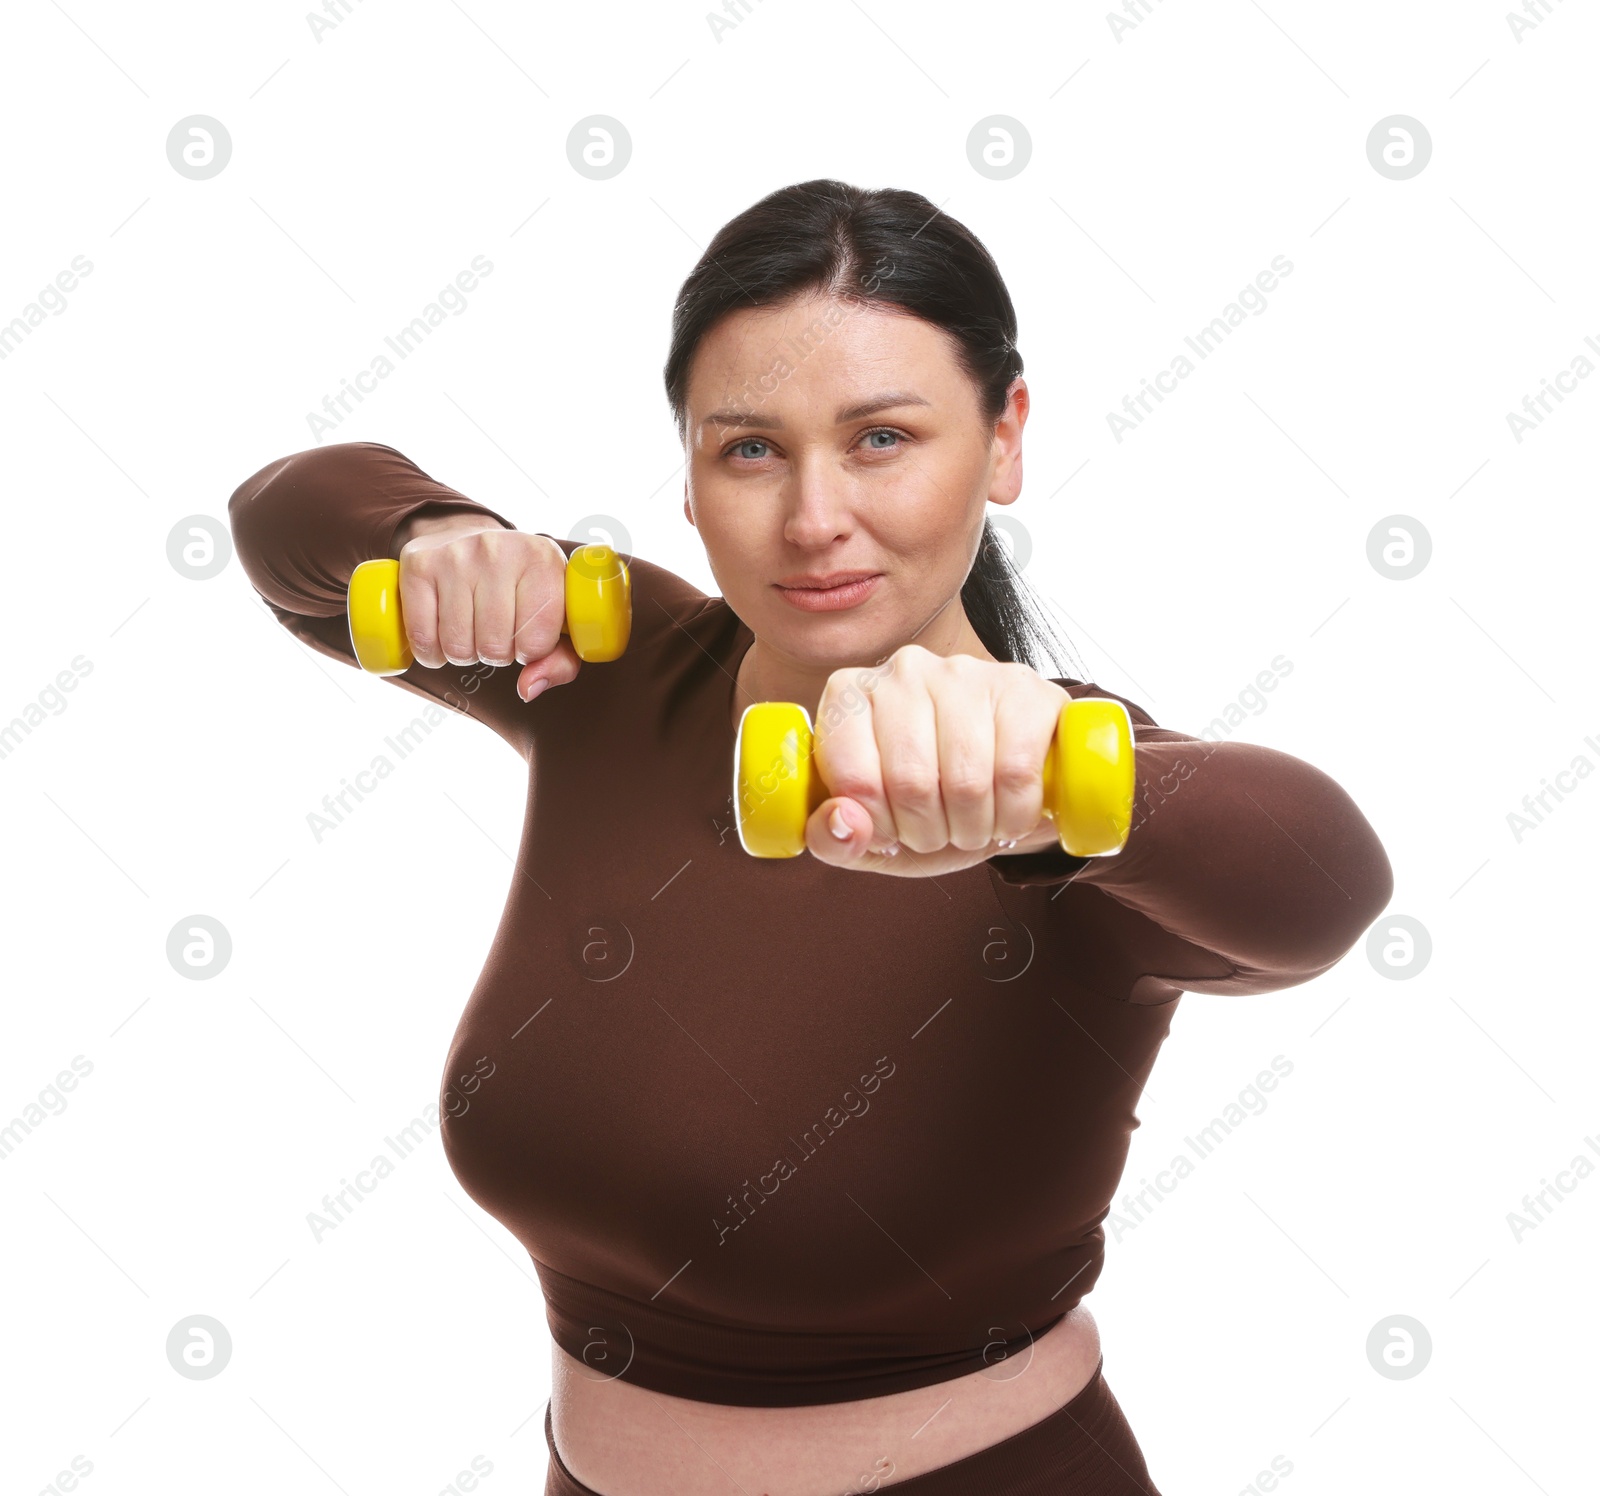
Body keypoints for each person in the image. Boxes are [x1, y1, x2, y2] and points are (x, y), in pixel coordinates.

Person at [229, 179, 1393, 1496]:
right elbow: (285, 520)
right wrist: (440, 541)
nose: (812, 518)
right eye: (749, 448)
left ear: (1004, 439)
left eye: (883, 439)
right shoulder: (610, 668)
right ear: (686, 472)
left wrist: (1061, 792)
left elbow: (1328, 883)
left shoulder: (1069, 798)